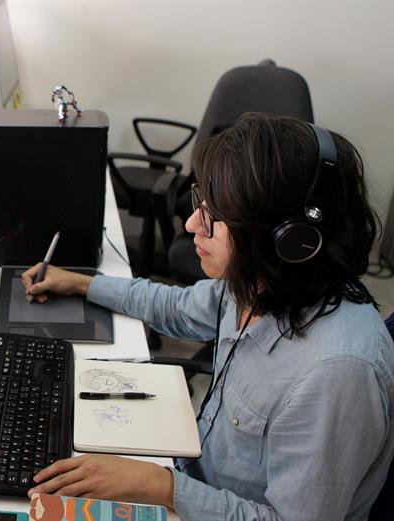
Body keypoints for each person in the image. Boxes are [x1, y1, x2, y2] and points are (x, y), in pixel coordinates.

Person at [22, 113, 394, 520]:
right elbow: (174, 307)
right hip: (191, 477)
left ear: (289, 239)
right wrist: (82, 284)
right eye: (203, 203)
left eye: (217, 215)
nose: (191, 223)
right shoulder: (259, 280)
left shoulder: (337, 375)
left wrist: (159, 485)